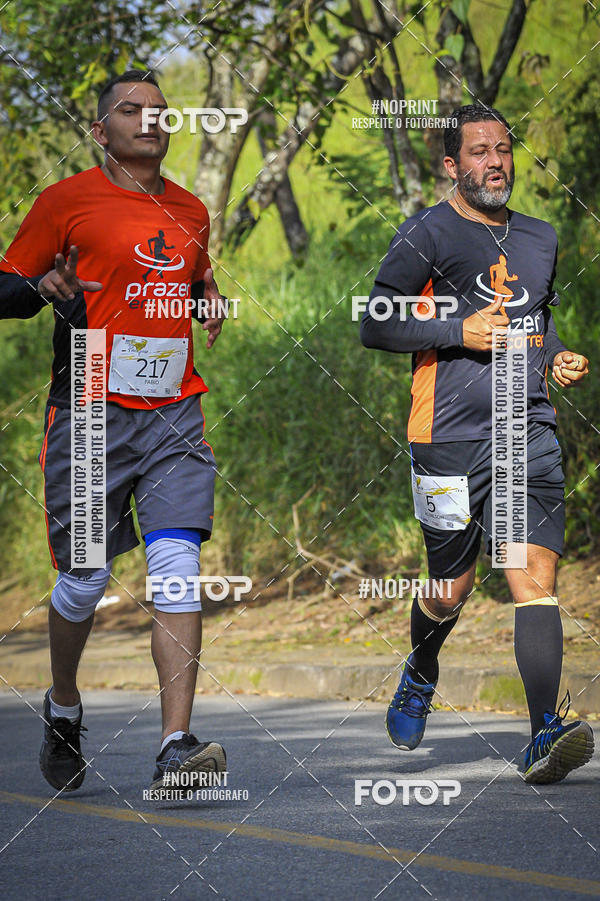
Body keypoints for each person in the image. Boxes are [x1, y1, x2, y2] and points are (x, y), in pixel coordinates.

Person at [0, 70, 228, 792]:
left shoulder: (192, 210)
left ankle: (175, 744)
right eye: (131, 111)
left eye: (160, 111)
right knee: (86, 578)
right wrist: (42, 288)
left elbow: (185, 275)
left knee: (176, 566)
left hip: (173, 410)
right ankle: (64, 705)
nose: (150, 120)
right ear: (101, 131)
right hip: (91, 398)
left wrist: (205, 297)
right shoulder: (64, 202)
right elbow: (4, 282)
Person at [360, 104, 594, 784]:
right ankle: (421, 668)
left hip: (524, 427)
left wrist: (554, 355)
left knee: (532, 575)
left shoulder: (540, 238)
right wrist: (458, 331)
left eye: (503, 149)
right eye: (479, 151)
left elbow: (534, 317)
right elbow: (378, 320)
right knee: (450, 585)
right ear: (452, 165)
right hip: (445, 435)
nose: (495, 161)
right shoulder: (427, 233)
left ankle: (542, 732)